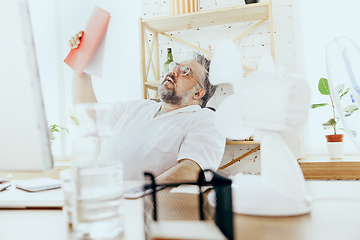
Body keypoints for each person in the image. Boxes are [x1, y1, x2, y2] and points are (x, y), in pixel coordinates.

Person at [69, 31, 226, 182]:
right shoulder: (138, 107)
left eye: (185, 71)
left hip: (138, 205)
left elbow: (192, 170)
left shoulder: (206, 119)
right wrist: (82, 65)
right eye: (176, 65)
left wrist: (136, 196)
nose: (173, 71)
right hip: (97, 196)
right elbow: (88, 115)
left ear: (198, 93)